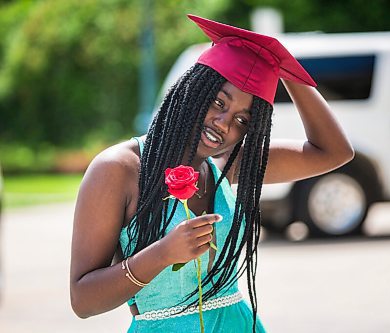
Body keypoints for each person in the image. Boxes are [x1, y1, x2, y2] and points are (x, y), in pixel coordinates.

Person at [70, 14, 354, 333]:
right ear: (192, 90)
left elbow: (335, 152)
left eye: (243, 120)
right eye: (219, 102)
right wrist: (163, 253)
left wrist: (284, 68)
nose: (224, 123)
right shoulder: (119, 169)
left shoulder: (226, 164)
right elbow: (83, 300)